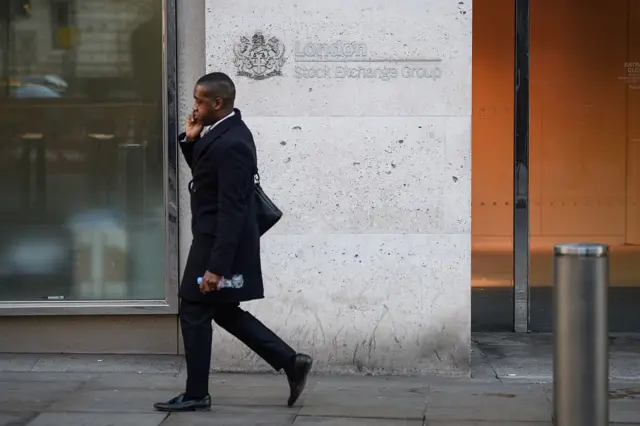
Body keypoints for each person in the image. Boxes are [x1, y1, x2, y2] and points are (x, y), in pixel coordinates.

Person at [154, 72, 312, 412]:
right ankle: (291, 361)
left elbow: (233, 210)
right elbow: (207, 176)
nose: (194, 108)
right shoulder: (222, 133)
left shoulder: (234, 143)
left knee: (195, 310)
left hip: (216, 244)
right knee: (223, 310)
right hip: (213, 239)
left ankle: (197, 393)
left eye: (198, 101)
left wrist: (216, 268)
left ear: (217, 103)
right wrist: (191, 140)